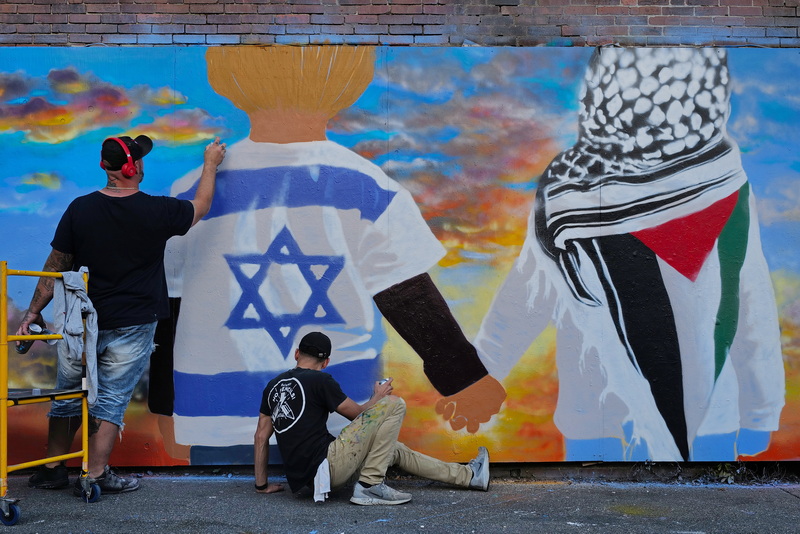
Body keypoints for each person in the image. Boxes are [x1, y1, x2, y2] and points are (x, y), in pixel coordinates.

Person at [158, 46, 505, 464]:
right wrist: (465, 379)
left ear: (221, 75)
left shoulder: (191, 192)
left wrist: (165, 408)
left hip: (216, 411)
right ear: (353, 78)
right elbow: (407, 295)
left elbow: (168, 310)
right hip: (338, 408)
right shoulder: (366, 186)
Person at [475, 47, 784, 461]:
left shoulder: (568, 193)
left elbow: (525, 297)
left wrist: (478, 374)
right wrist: (762, 413)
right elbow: (753, 310)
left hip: (594, 414)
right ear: (712, 93)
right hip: (709, 418)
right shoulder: (728, 184)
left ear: (601, 92)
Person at [16, 133, 227, 494]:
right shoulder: (157, 210)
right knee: (112, 398)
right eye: (140, 158)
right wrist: (211, 163)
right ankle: (95, 474)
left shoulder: (79, 209)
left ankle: (51, 470)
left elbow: (57, 267)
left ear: (106, 168)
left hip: (80, 323)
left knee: (67, 393)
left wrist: (33, 311)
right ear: (131, 167)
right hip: (133, 322)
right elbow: (202, 205)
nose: (143, 163)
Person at [254, 332, 490, 505]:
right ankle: (369, 485)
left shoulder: (272, 387)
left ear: (297, 354)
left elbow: (261, 438)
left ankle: (470, 477)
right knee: (394, 404)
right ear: (325, 362)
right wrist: (377, 397)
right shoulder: (320, 380)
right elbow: (357, 415)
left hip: (309, 481)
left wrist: (261, 485)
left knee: (393, 450)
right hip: (329, 466)